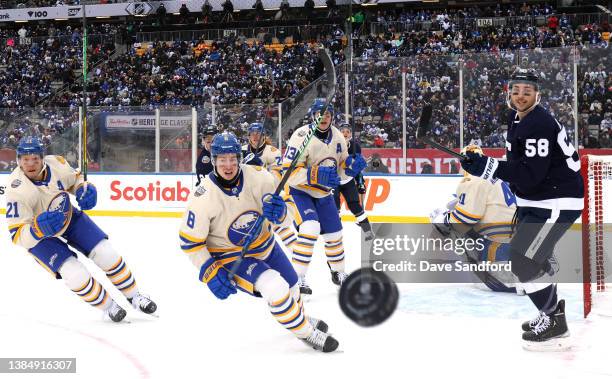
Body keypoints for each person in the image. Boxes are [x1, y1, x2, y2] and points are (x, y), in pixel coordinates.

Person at [179, 132, 339, 352]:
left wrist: (280, 213)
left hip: (266, 245)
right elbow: (190, 243)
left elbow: (286, 215)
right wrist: (210, 270)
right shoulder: (202, 196)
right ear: (214, 160)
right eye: (222, 160)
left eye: (233, 159)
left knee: (293, 289)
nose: (228, 165)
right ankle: (306, 333)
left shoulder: (260, 176)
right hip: (233, 255)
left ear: (239, 157)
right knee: (275, 287)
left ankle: (299, 319)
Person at [461, 68, 584, 351]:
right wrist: (483, 164)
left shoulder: (538, 123)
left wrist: (487, 167)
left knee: (522, 261)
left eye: (527, 91)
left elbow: (531, 175)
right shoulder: (517, 119)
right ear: (509, 93)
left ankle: (554, 320)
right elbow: (519, 166)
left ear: (537, 95)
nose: (520, 96)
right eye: (516, 90)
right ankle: (552, 314)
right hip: (537, 200)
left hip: (555, 201)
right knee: (527, 259)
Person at [5, 136, 157, 322]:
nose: (30, 164)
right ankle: (109, 307)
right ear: (18, 160)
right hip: (41, 237)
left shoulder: (57, 164)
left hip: (68, 217)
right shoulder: (16, 189)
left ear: (42, 158)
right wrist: (37, 229)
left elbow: (75, 179)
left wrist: (83, 188)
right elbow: (18, 235)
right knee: (74, 274)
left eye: (35, 158)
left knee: (106, 253)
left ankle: (135, 296)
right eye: (25, 159)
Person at [282, 99, 366, 294]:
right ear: (313, 115)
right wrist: (315, 174)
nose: (324, 118)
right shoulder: (301, 136)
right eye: (320, 114)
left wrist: (350, 169)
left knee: (335, 234)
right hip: (300, 191)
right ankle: (298, 278)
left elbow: (341, 170)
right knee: (310, 228)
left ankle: (338, 273)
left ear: (332, 117)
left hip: (323, 193)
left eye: (327, 114)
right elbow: (288, 172)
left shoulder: (338, 136)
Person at [430, 145, 518, 293]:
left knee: (452, 227)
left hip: (500, 257)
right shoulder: (496, 177)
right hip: (516, 249)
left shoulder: (474, 179)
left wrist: (442, 219)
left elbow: (466, 219)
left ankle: (490, 273)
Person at [242, 122, 297, 250]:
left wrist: (260, 168)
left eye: (258, 133)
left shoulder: (273, 152)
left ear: (264, 136)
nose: (255, 136)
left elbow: (276, 181)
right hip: (248, 196)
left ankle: (297, 254)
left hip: (267, 195)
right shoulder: (242, 150)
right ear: (248, 136)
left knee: (279, 225)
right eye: (252, 133)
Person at [334, 123, 373, 240]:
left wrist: (360, 182)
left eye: (348, 131)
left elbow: (357, 168)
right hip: (334, 181)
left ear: (351, 134)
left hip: (348, 180)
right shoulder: (332, 145)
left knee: (355, 206)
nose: (345, 133)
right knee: (335, 210)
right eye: (343, 131)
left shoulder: (355, 146)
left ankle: (368, 231)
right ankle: (335, 236)